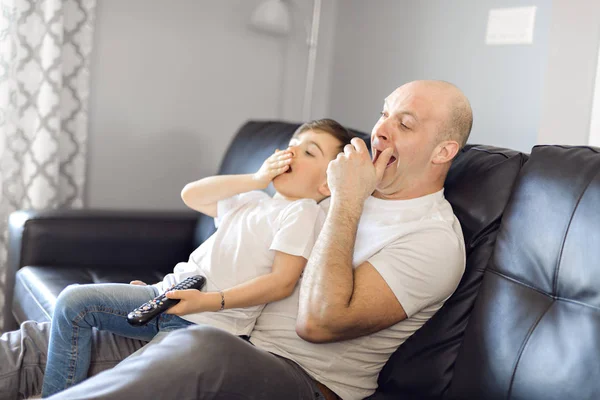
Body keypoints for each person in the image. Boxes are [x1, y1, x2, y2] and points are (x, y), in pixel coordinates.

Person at [2, 80, 473, 400]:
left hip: (299, 378)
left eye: (405, 124)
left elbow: (320, 323)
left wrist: (348, 201)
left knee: (202, 350)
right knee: (50, 337)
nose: (381, 131)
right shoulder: (338, 186)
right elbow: (249, 249)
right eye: (384, 115)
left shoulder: (432, 238)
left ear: (444, 151)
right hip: (219, 333)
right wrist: (161, 294)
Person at [0, 119, 354, 399]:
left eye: (309, 152)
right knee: (72, 302)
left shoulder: (303, 213)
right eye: (290, 146)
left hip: (204, 323)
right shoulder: (254, 200)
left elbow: (282, 282)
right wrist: (256, 178)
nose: (292, 154)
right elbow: (191, 194)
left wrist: (208, 301)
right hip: (164, 295)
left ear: (327, 185)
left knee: (132, 380)